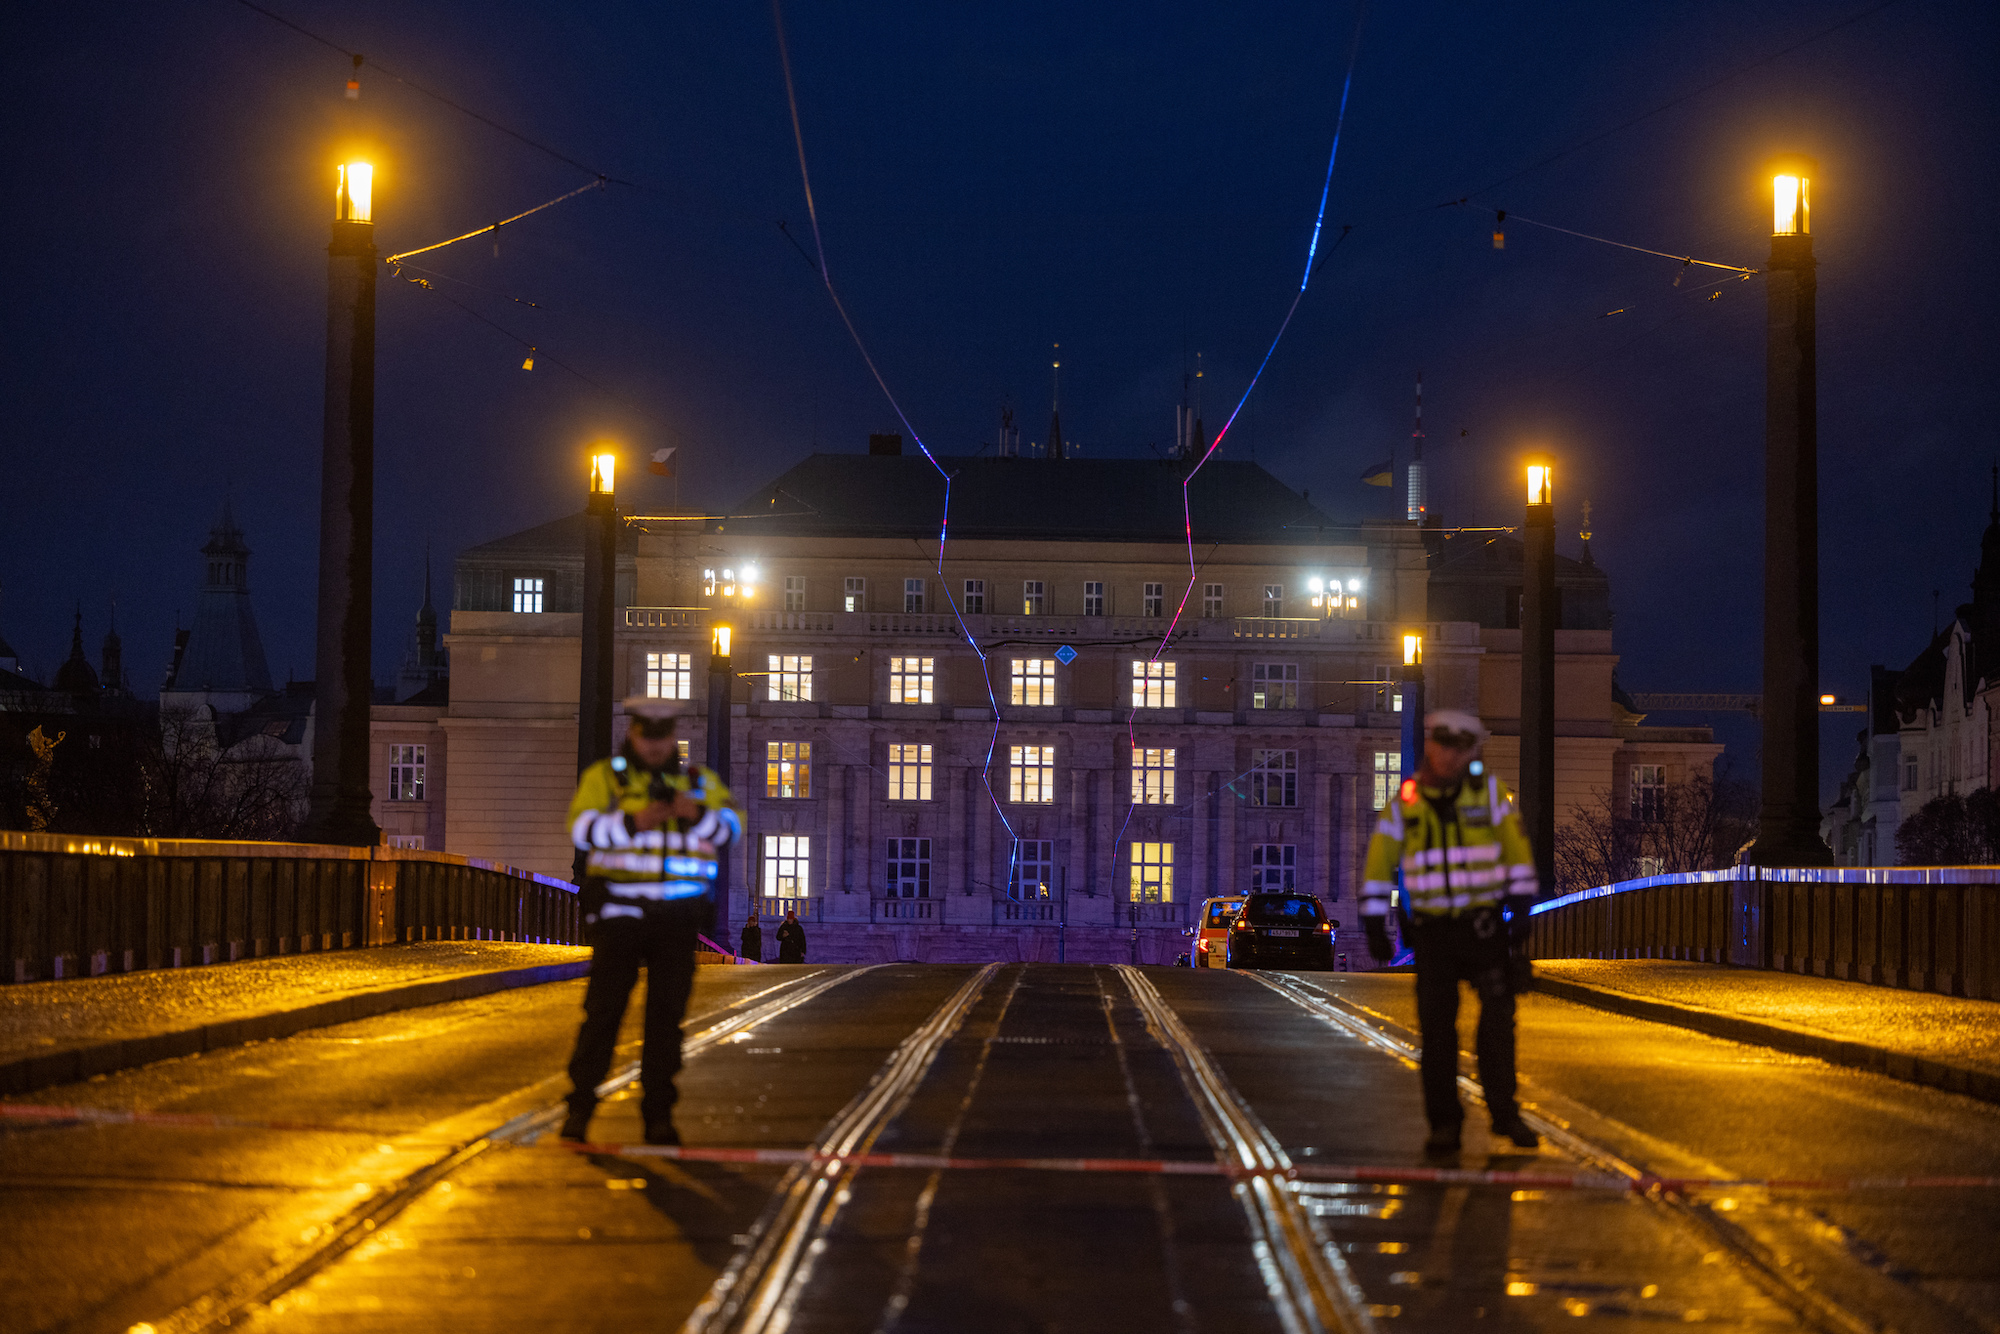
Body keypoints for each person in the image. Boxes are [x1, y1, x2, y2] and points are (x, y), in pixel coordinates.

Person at [1360, 709, 1540, 1157]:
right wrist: (1374, 923)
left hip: (1482, 928)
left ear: (1470, 752)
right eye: (1442, 746)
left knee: (1498, 1022)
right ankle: (1445, 1125)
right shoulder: (1405, 802)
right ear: (1431, 747)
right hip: (1434, 933)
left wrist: (1520, 909)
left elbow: (1517, 854)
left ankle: (1504, 1113)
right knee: (1438, 1033)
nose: (1449, 756)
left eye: (1459, 748)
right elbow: (1379, 866)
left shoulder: (1491, 796)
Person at [560, 697, 740, 1145]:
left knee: (666, 1021)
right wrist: (634, 822)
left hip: (677, 921)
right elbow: (581, 829)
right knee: (603, 1013)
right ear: (634, 734)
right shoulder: (607, 778)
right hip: (620, 914)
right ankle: (580, 1106)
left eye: (663, 738)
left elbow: (730, 829)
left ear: (672, 738)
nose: (656, 747)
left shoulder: (697, 783)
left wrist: (691, 812)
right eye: (648, 736)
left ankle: (659, 1114)